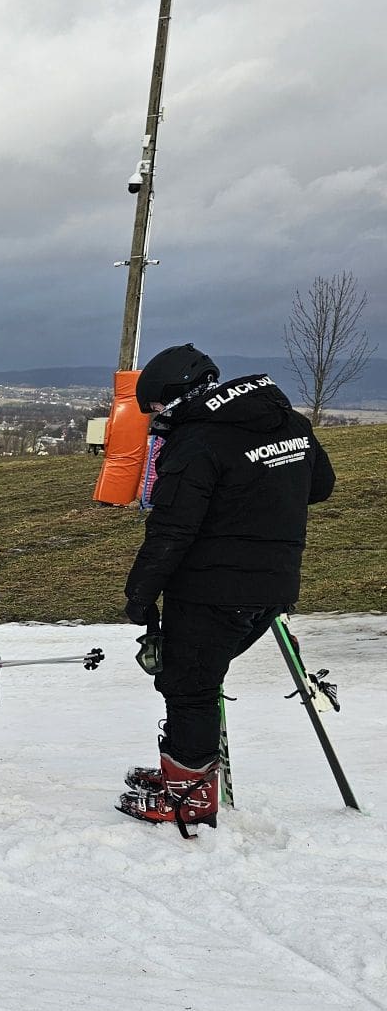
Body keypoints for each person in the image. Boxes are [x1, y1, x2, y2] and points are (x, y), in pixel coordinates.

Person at [118, 345, 336, 833]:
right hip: (276, 584)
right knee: (194, 677)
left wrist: (140, 593)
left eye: (153, 406)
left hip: (210, 588)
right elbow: (320, 484)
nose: (153, 417)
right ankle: (183, 769)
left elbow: (172, 530)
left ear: (178, 396)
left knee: (188, 684)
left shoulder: (196, 443)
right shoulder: (290, 422)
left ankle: (189, 797)